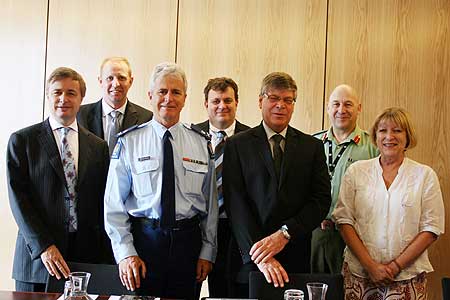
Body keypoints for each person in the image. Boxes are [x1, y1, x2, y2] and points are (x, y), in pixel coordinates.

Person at [104, 62, 218, 300]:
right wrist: (125, 253)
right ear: (150, 96)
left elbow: (210, 206)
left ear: (185, 98)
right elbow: (113, 206)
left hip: (188, 245)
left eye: (176, 92)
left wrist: (208, 251)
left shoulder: (200, 143)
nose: (169, 98)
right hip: (144, 243)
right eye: (162, 92)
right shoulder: (130, 142)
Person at [223, 72, 331, 297]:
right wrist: (261, 256)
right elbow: (235, 203)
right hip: (250, 261)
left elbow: (320, 201)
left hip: (295, 258)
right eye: (274, 98)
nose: (280, 105)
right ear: (261, 101)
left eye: (288, 100)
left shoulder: (311, 147)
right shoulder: (237, 145)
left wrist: (284, 234)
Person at [7, 67, 112, 292]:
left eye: (71, 93)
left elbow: (103, 202)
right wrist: (44, 246)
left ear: (81, 98)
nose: (64, 98)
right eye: (57, 92)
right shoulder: (23, 141)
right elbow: (19, 201)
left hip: (84, 260)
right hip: (37, 261)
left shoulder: (99, 146)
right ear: (48, 96)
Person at [332, 107, 445, 299]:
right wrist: (370, 266)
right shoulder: (356, 172)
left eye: (397, 130)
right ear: (375, 136)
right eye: (383, 130)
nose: (389, 136)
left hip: (406, 279)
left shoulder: (424, 175)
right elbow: (344, 221)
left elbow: (431, 228)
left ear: (407, 137)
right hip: (360, 276)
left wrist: (395, 266)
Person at [311, 84, 378, 274]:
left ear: (359, 108)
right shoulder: (311, 143)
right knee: (314, 287)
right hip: (315, 233)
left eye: (348, 104)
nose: (342, 110)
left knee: (347, 289)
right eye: (336, 104)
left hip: (355, 236)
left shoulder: (372, 147)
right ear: (328, 108)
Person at [196, 77, 250, 298]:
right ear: (205, 104)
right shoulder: (191, 135)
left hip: (236, 231)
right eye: (215, 100)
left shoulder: (251, 139)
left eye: (228, 100)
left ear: (237, 102)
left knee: (228, 292)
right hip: (197, 228)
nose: (222, 106)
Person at [77, 56, 152, 155]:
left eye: (122, 78)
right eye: (110, 78)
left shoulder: (146, 118)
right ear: (100, 81)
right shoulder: (80, 115)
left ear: (130, 81)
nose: (116, 84)